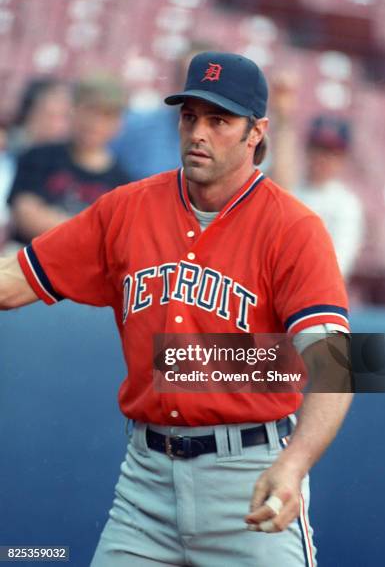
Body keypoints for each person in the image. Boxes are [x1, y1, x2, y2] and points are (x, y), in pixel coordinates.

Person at [0, 52, 353, 566]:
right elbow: (14, 282)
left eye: (219, 120)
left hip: (250, 478)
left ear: (256, 132)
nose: (198, 133)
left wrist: (294, 464)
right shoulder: (126, 208)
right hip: (145, 485)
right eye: (189, 116)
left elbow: (336, 364)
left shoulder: (294, 228)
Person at [8, 75, 130, 245]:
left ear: (119, 123)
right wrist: (91, 231)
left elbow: (113, 241)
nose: (95, 123)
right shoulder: (38, 156)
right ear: (72, 110)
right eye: (89, 110)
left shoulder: (124, 183)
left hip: (82, 268)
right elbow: (27, 216)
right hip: (26, 256)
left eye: (106, 115)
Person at [268, 73, 364, 280]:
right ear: (308, 149)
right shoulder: (291, 184)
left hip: (312, 294)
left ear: (342, 157)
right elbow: (278, 178)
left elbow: (338, 266)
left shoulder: (346, 204)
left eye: (332, 152)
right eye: (319, 148)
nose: (323, 158)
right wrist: (283, 118)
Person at [110, 41, 214, 180]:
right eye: (187, 78)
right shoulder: (135, 126)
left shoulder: (232, 141)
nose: (196, 92)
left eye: (204, 82)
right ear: (176, 81)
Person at [7, 76, 73, 157]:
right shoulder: (8, 146)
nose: (60, 126)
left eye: (65, 118)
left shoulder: (69, 155)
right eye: (51, 116)